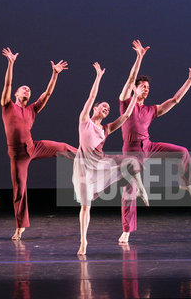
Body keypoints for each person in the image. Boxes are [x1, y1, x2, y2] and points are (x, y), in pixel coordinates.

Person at [118, 41, 191, 243]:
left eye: (148, 87)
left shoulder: (150, 110)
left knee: (182, 152)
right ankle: (127, 231)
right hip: (131, 152)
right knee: (130, 190)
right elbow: (130, 79)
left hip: (148, 147)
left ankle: (186, 183)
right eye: (143, 86)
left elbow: (174, 100)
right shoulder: (125, 103)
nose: (146, 89)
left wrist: (189, 82)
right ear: (135, 89)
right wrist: (139, 58)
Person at [1, 47, 77, 240]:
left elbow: (47, 94)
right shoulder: (8, 106)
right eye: (24, 88)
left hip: (33, 147)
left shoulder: (32, 110)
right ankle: (20, 227)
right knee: (20, 189)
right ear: (16, 94)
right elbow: (8, 84)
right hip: (18, 154)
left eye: (29, 89)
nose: (27, 90)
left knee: (62, 147)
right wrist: (10, 64)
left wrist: (54, 74)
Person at [74, 62, 148, 255]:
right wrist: (98, 76)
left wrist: (134, 97)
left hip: (100, 163)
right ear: (95, 109)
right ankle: (84, 241)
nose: (106, 109)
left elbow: (125, 117)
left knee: (130, 162)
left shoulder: (105, 129)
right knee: (85, 206)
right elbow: (91, 97)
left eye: (108, 109)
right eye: (103, 107)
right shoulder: (85, 120)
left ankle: (140, 189)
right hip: (84, 167)